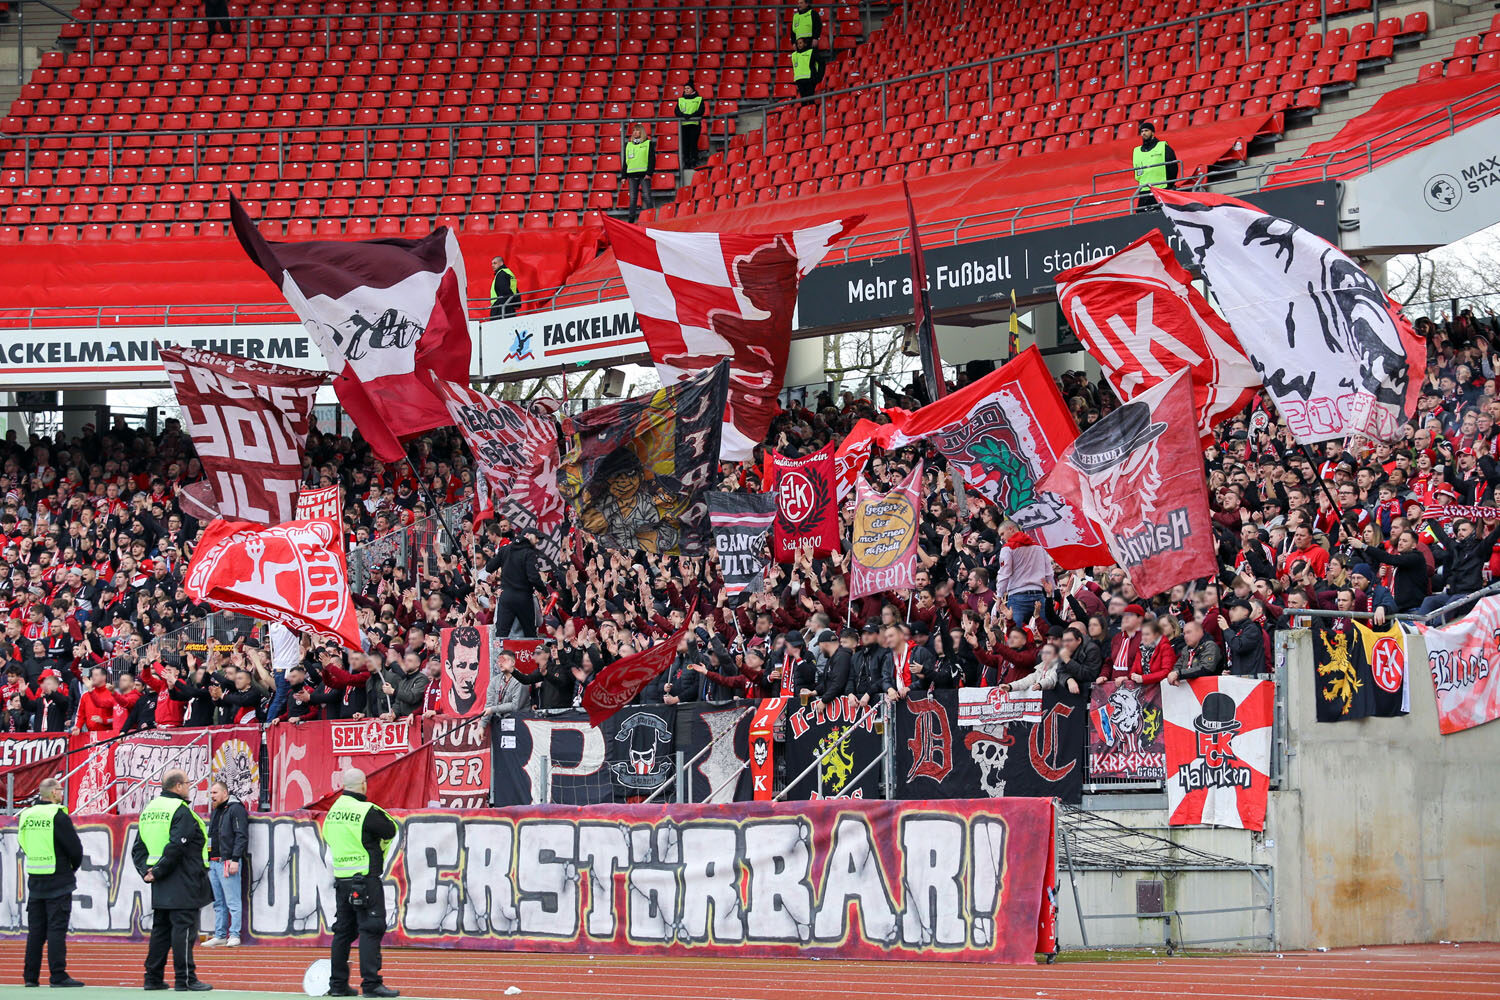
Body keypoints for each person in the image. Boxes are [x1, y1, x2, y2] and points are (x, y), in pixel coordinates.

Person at [322, 768, 400, 999]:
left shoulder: (333, 812)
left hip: (342, 879)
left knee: (342, 932)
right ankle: (371, 984)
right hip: (365, 879)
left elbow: (328, 837)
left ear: (343, 786)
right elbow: (390, 829)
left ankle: (338, 985)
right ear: (364, 785)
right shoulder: (365, 810)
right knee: (371, 929)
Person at [132, 769, 212, 992]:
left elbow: (138, 848)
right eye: (187, 783)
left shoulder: (149, 810)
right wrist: (158, 871)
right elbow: (177, 845)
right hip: (183, 879)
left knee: (161, 931)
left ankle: (153, 978)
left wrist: (146, 872)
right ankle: (185, 979)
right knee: (183, 931)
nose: (189, 787)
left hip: (160, 882)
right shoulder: (180, 810)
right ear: (178, 786)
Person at [18, 777, 84, 988]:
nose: (62, 793)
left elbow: (23, 842)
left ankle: (30, 976)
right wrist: (71, 868)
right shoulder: (57, 815)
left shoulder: (26, 815)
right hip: (58, 879)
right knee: (56, 929)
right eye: (60, 790)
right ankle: (58, 975)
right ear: (54, 793)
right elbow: (75, 849)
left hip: (35, 878)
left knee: (36, 932)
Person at [203, 779, 248, 948]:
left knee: (232, 901)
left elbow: (241, 835)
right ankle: (220, 935)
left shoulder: (236, 809)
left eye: (215, 792)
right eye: (211, 793)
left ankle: (234, 934)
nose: (212, 796)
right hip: (214, 862)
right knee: (218, 902)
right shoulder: (216, 811)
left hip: (227, 862)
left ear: (225, 793)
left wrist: (235, 859)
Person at [494, 532, 546, 638]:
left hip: (507, 596)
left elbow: (489, 567)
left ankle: (499, 648)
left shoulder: (505, 550)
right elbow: (533, 578)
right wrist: (546, 593)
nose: (537, 541)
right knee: (530, 633)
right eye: (536, 538)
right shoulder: (528, 553)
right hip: (524, 597)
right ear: (527, 535)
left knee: (501, 635)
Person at [1131, 121, 1178, 213]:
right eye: (1142, 131)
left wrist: (1169, 184)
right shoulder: (1136, 151)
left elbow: (1173, 167)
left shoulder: (1163, 147)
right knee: (1141, 216)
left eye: (1146, 130)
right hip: (1144, 190)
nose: (1143, 133)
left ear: (1152, 132)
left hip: (1162, 188)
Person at [621, 123, 656, 223]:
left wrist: (649, 173)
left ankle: (651, 219)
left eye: (637, 130)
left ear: (642, 132)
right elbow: (626, 161)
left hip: (644, 175)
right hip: (632, 175)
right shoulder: (628, 145)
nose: (635, 132)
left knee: (647, 196)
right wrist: (624, 176)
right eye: (634, 131)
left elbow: (652, 159)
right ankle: (631, 220)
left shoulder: (648, 143)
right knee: (632, 198)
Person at [675, 82, 704, 170]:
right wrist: (684, 116)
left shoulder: (699, 99)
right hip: (684, 125)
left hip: (694, 125)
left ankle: (694, 161)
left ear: (692, 89)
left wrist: (691, 116)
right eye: (685, 89)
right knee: (685, 145)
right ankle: (686, 162)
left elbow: (701, 111)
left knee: (693, 144)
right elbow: (676, 111)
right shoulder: (680, 100)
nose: (686, 90)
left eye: (688, 88)